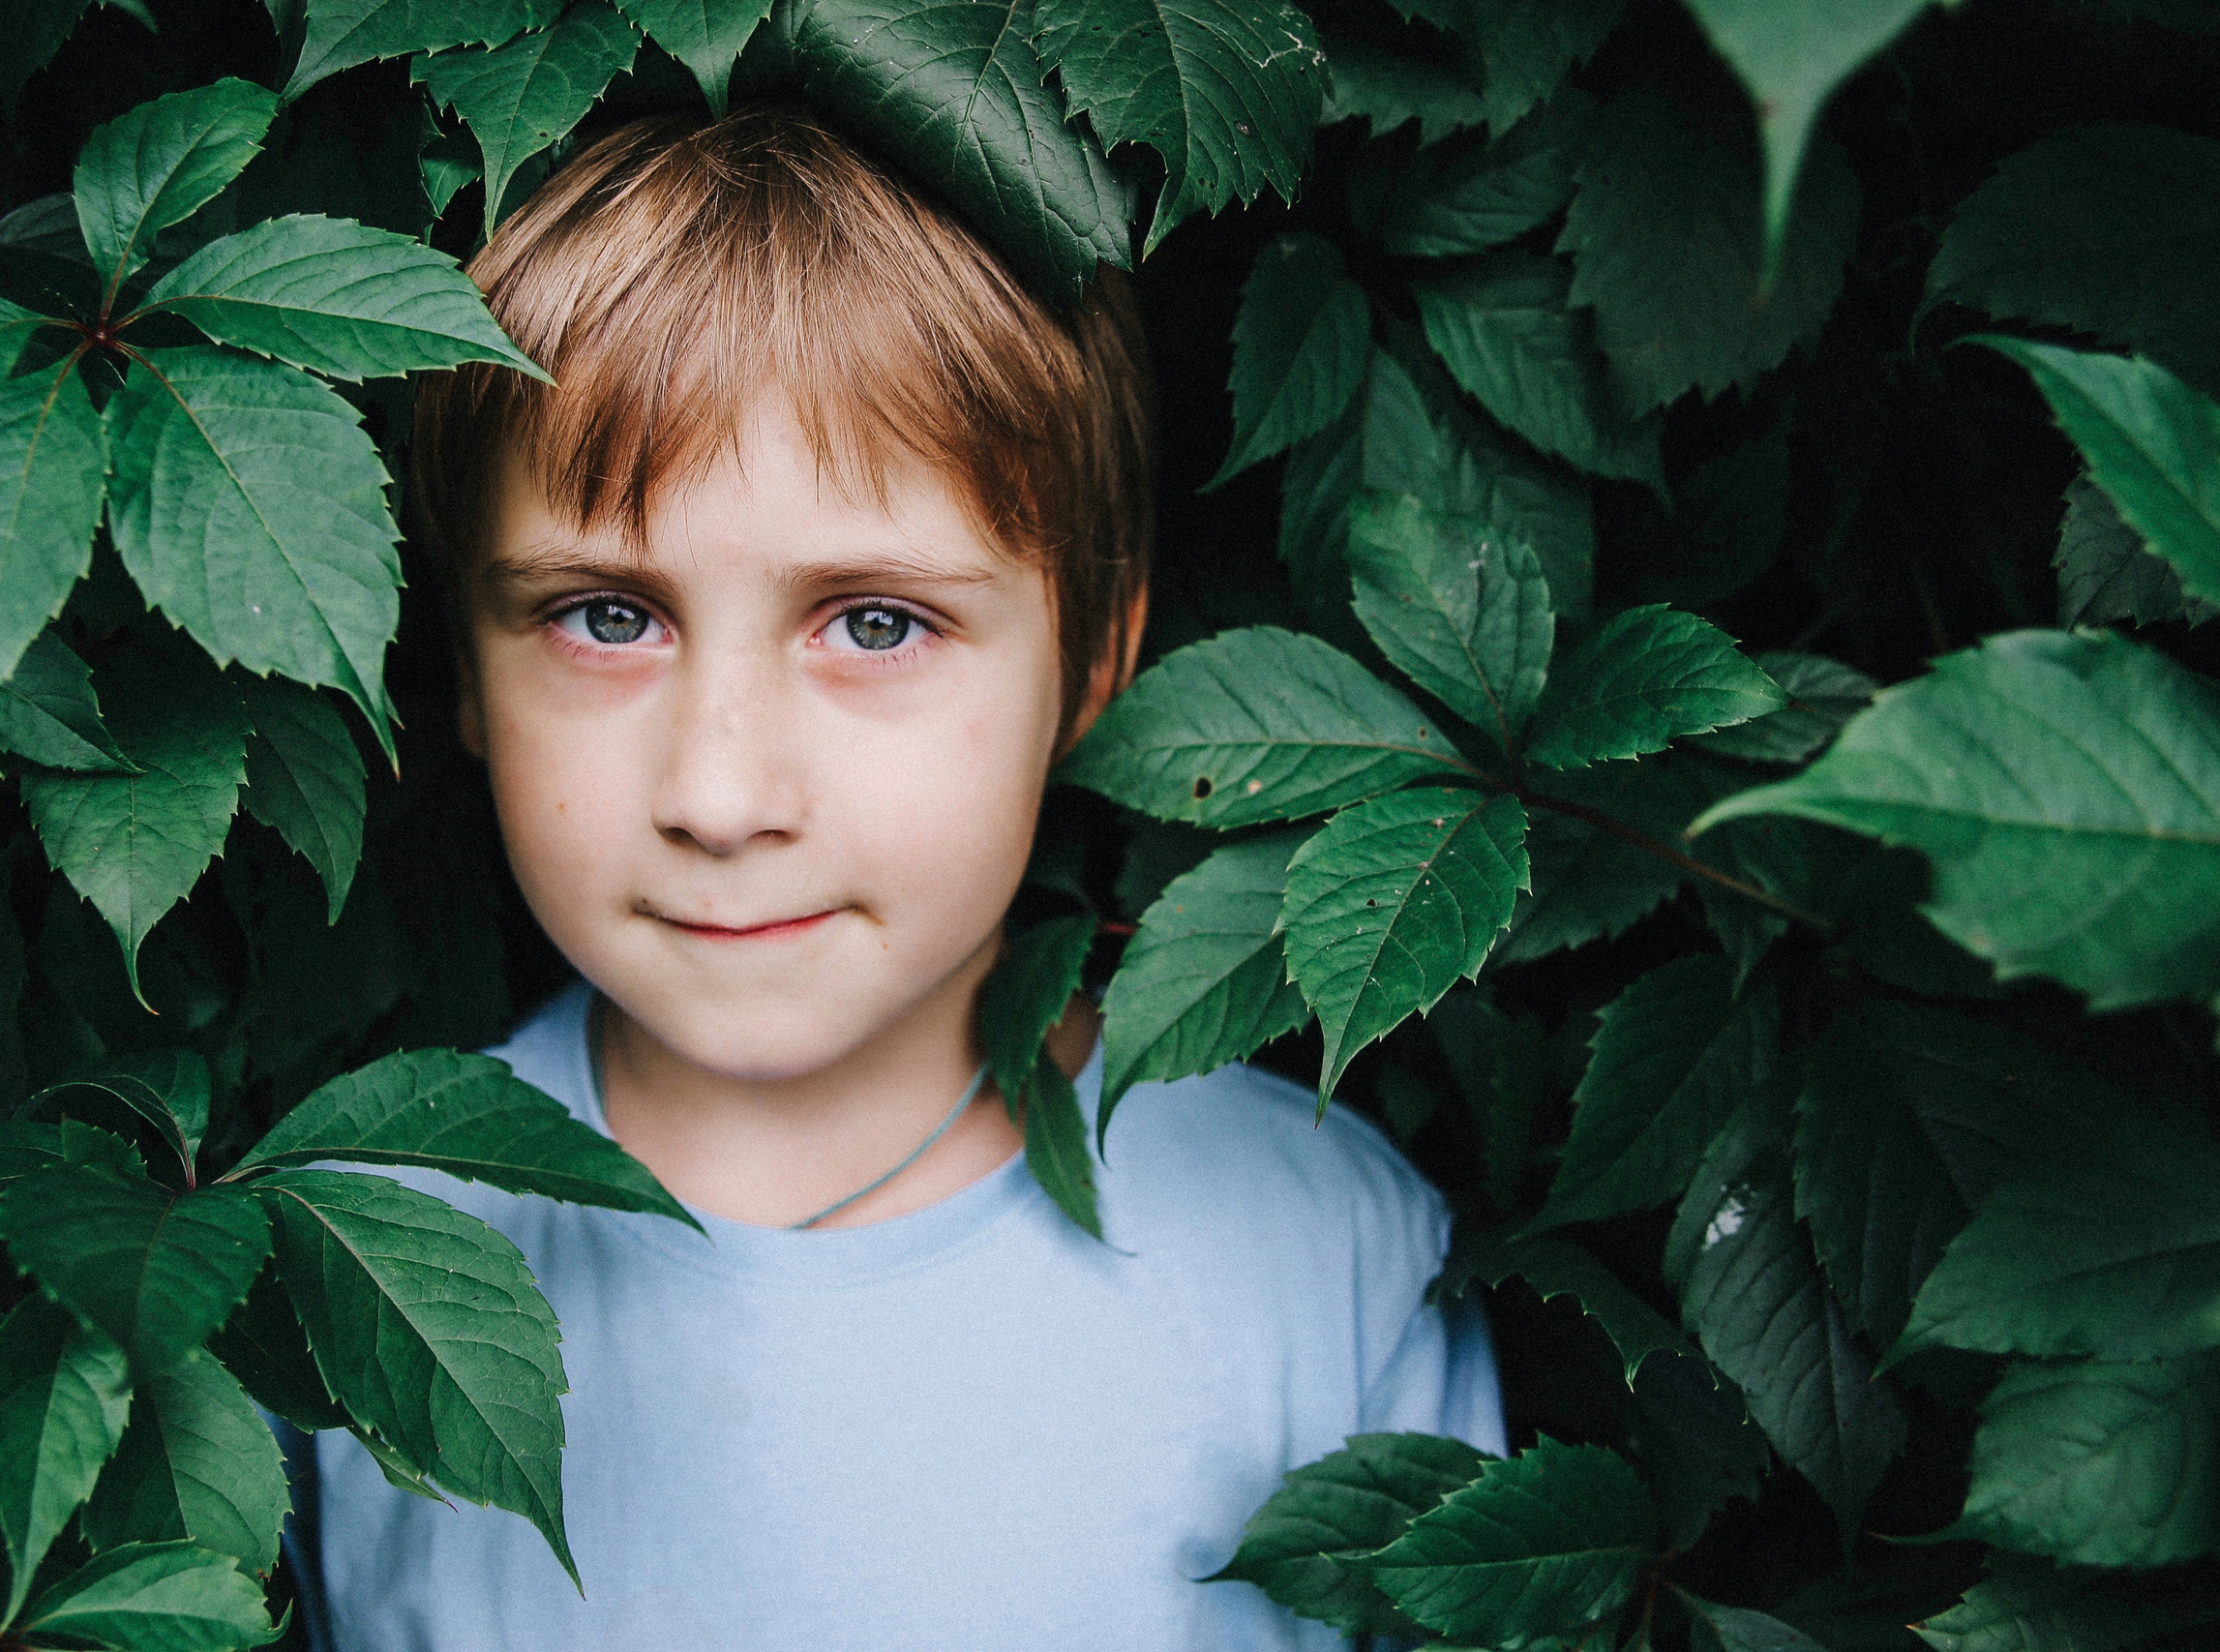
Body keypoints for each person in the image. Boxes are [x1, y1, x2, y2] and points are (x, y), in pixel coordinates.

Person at [303, 103, 1505, 1651]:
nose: (722, 794)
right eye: (606, 615)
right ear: (461, 658)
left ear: (1093, 656)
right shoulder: (350, 1261)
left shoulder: (1317, 1250)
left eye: (875, 623)